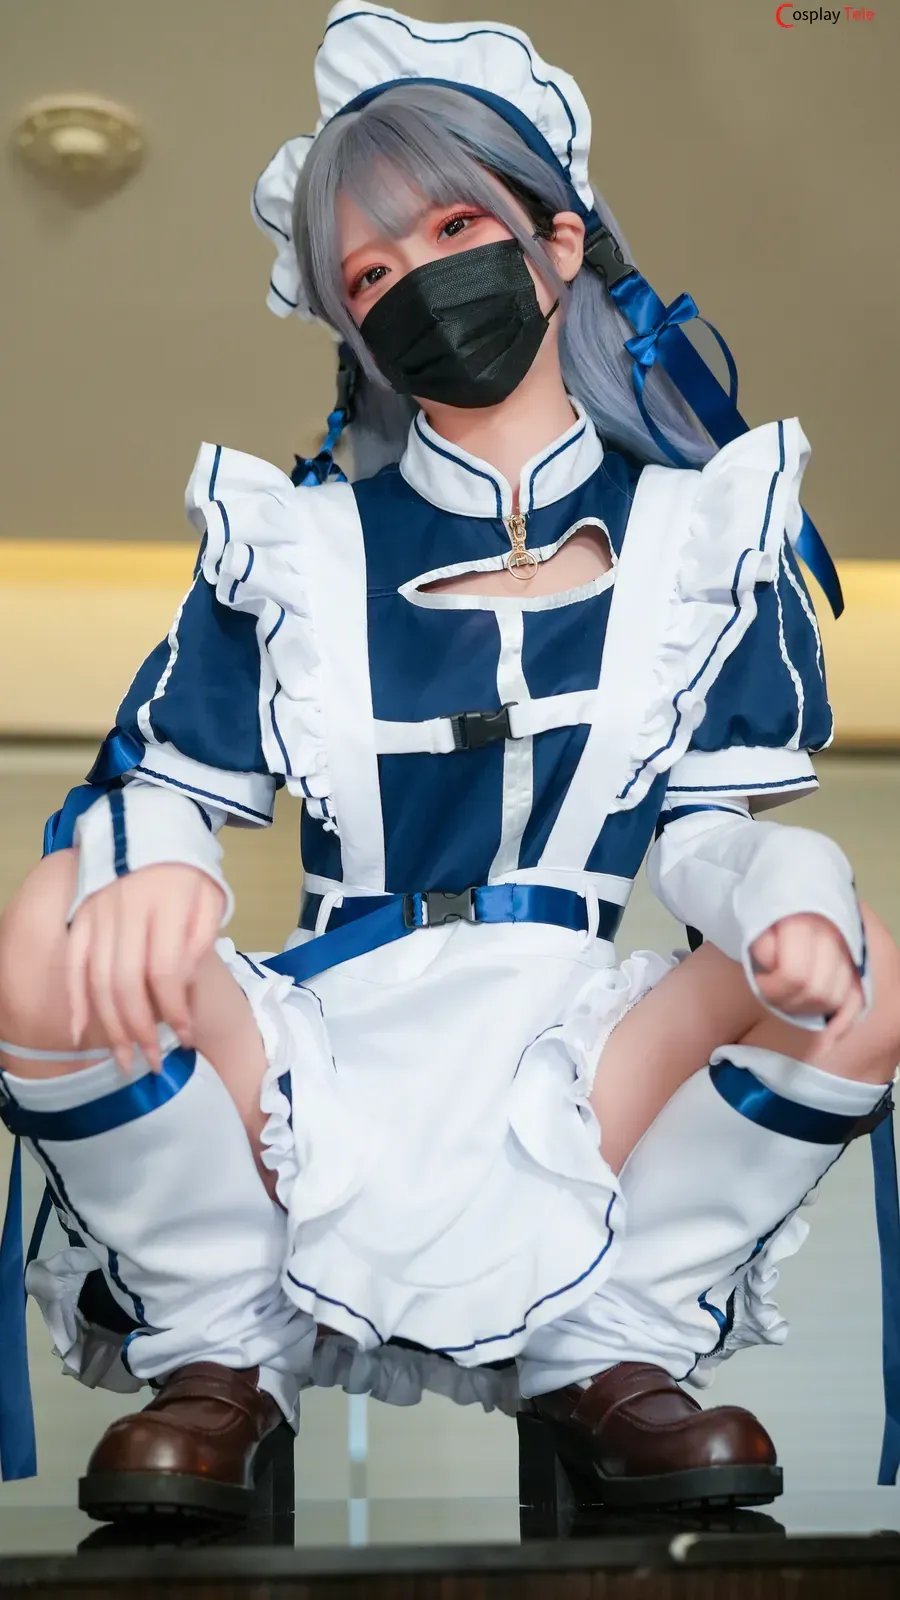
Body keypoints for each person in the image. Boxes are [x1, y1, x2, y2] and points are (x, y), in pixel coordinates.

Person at [0, 0, 898, 1525]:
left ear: (559, 243)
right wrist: (152, 861)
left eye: (454, 228)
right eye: (369, 274)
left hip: (591, 1074)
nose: (417, 283)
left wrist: (787, 887)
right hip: (315, 1062)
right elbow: (167, 782)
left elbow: (701, 833)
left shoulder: (703, 541)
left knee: (868, 973)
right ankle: (222, 1351)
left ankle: (617, 1347)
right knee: (45, 930)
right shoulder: (291, 547)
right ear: (352, 327)